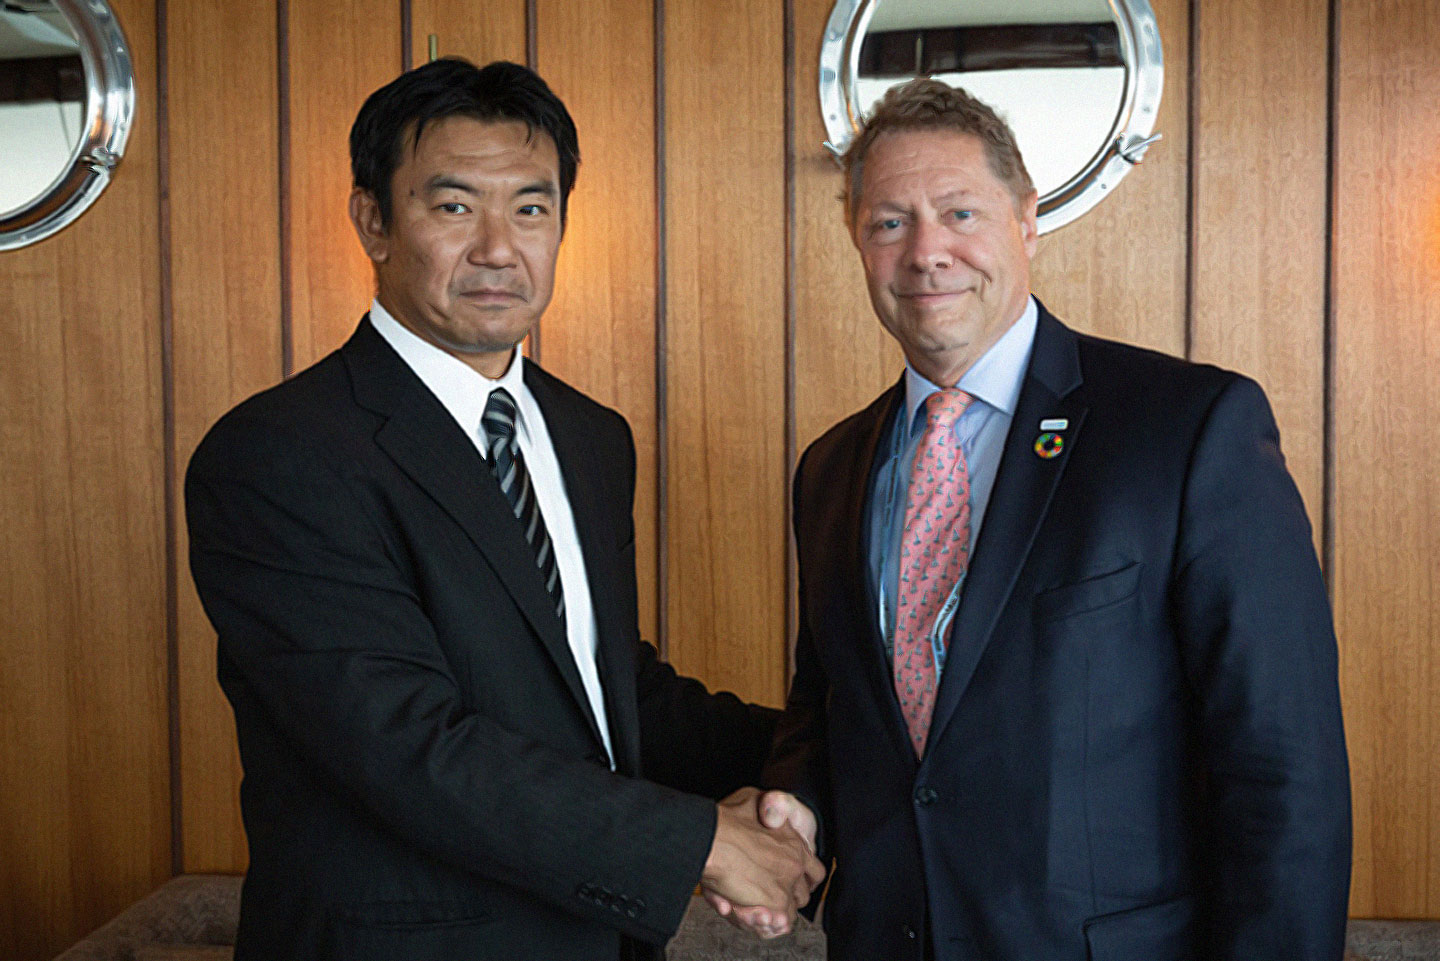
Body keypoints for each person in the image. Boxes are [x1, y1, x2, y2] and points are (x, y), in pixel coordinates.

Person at [185, 57, 821, 961]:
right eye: (453, 207)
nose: (497, 247)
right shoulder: (279, 454)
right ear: (373, 220)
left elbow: (606, 690)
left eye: (531, 207)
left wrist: (815, 759)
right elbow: (406, 744)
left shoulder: (590, 436)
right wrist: (704, 845)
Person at [759, 78, 1352, 960]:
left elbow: (1283, 769)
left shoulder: (1187, 428)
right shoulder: (832, 467)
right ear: (857, 240)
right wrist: (794, 799)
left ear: (1027, 219)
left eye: (960, 213)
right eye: (889, 221)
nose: (927, 253)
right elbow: (834, 707)